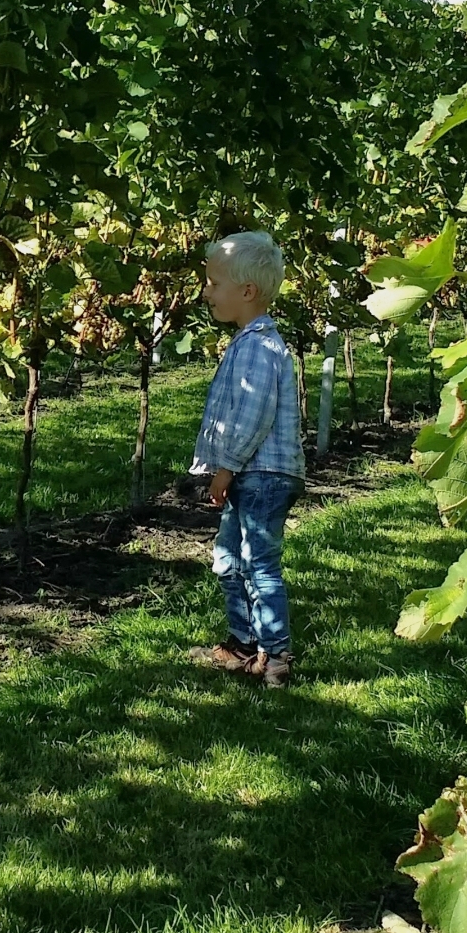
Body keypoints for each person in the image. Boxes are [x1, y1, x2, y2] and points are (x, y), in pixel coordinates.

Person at [189, 230, 304, 688]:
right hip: (253, 475)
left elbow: (254, 413)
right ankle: (244, 644)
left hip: (260, 475)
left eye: (214, 284)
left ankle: (275, 655)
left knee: (258, 562)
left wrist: (226, 467)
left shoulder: (258, 345)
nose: (207, 292)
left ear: (247, 292)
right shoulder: (250, 341)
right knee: (228, 558)